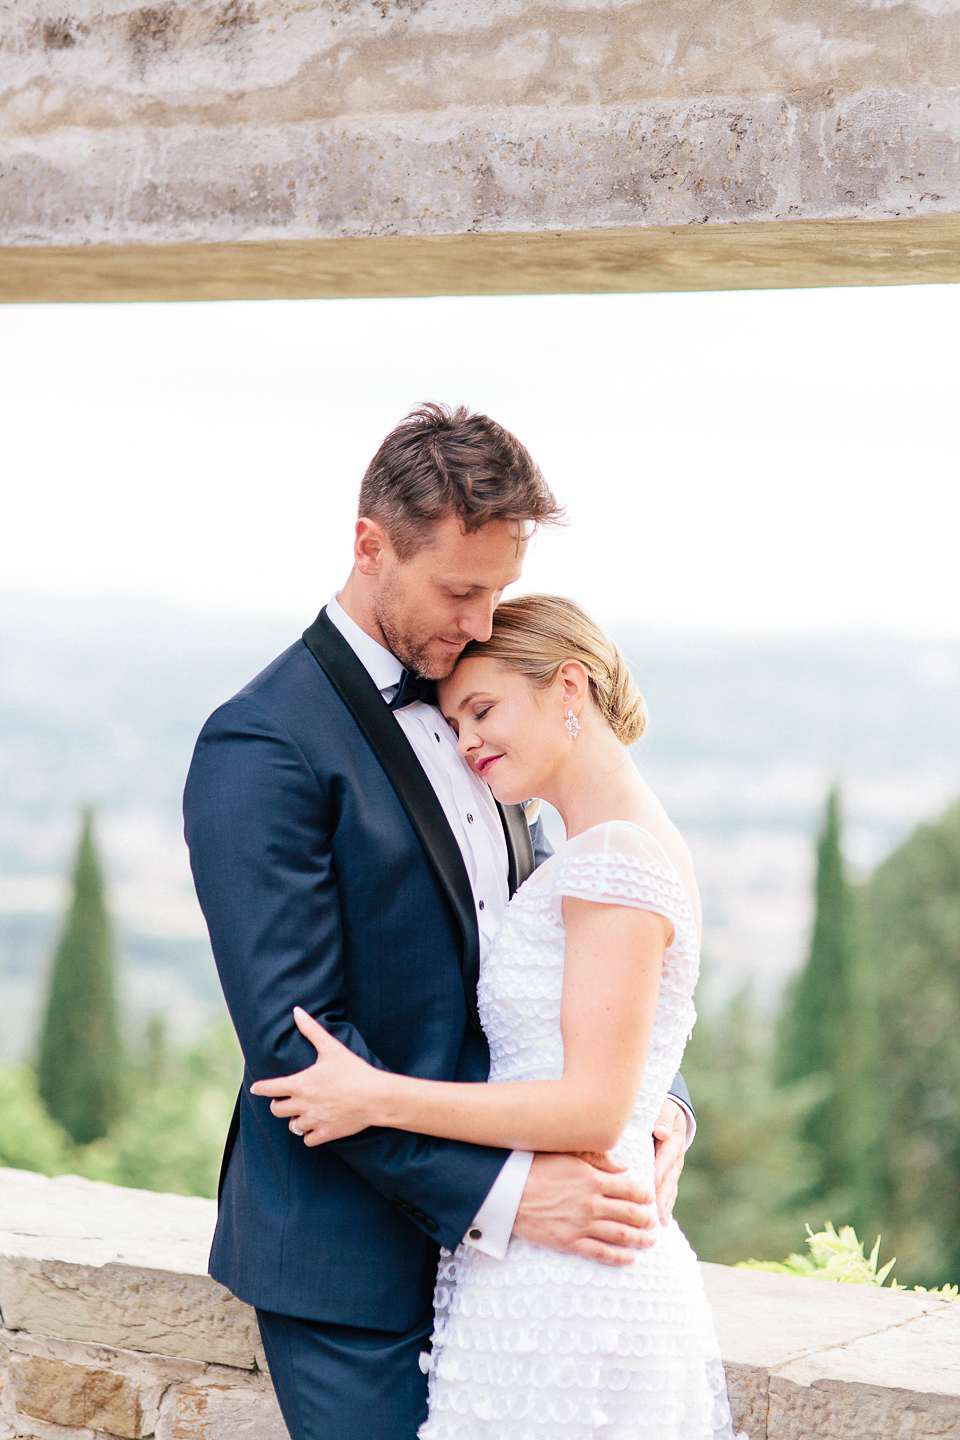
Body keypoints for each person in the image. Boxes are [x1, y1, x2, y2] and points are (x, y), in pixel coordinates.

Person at [183, 405, 694, 1440]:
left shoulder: (487, 724)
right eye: (460, 591)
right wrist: (509, 1195)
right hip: (350, 1265)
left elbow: (580, 938)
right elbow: (299, 1051)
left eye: (498, 593)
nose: (478, 623)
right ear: (371, 546)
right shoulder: (260, 744)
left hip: (517, 1265)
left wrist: (656, 1103)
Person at [253, 593, 741, 1440]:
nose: (467, 739)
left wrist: (375, 1095)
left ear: (569, 689)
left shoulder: (616, 855)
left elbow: (590, 1106)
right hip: (535, 1262)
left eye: (483, 710)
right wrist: (657, 1100)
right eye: (453, 721)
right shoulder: (600, 842)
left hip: (571, 1272)